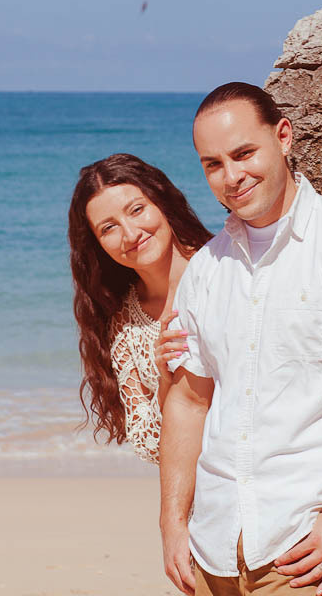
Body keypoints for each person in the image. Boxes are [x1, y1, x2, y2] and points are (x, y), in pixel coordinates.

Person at [160, 83, 322, 596]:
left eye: (243, 153)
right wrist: (172, 522)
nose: (232, 176)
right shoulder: (206, 268)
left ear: (283, 137)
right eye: (213, 164)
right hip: (213, 549)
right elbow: (189, 402)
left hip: (303, 549)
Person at [68, 153, 210, 464]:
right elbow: (148, 446)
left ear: (161, 201)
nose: (131, 234)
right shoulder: (125, 324)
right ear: (97, 245)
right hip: (196, 488)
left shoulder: (223, 268)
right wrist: (166, 383)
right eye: (109, 228)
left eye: (136, 210)